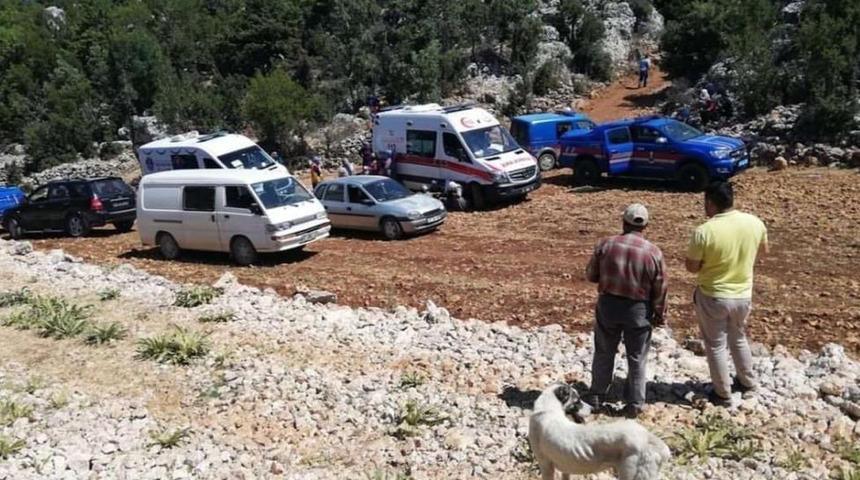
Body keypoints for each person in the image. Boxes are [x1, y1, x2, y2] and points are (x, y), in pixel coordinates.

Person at [685, 181, 768, 407]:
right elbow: (763, 251)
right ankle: (747, 382)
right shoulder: (755, 223)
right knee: (738, 337)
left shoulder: (704, 231)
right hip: (743, 294)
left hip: (714, 294)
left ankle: (722, 393)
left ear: (710, 203)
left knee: (715, 345)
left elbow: (691, 266)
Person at [585, 204, 668, 419]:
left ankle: (596, 395)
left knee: (604, 350)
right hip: (638, 309)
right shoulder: (653, 253)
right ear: (646, 226)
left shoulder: (606, 245)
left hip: (608, 305)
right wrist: (659, 314)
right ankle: (634, 403)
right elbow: (660, 288)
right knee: (637, 356)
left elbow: (591, 275)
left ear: (624, 222)